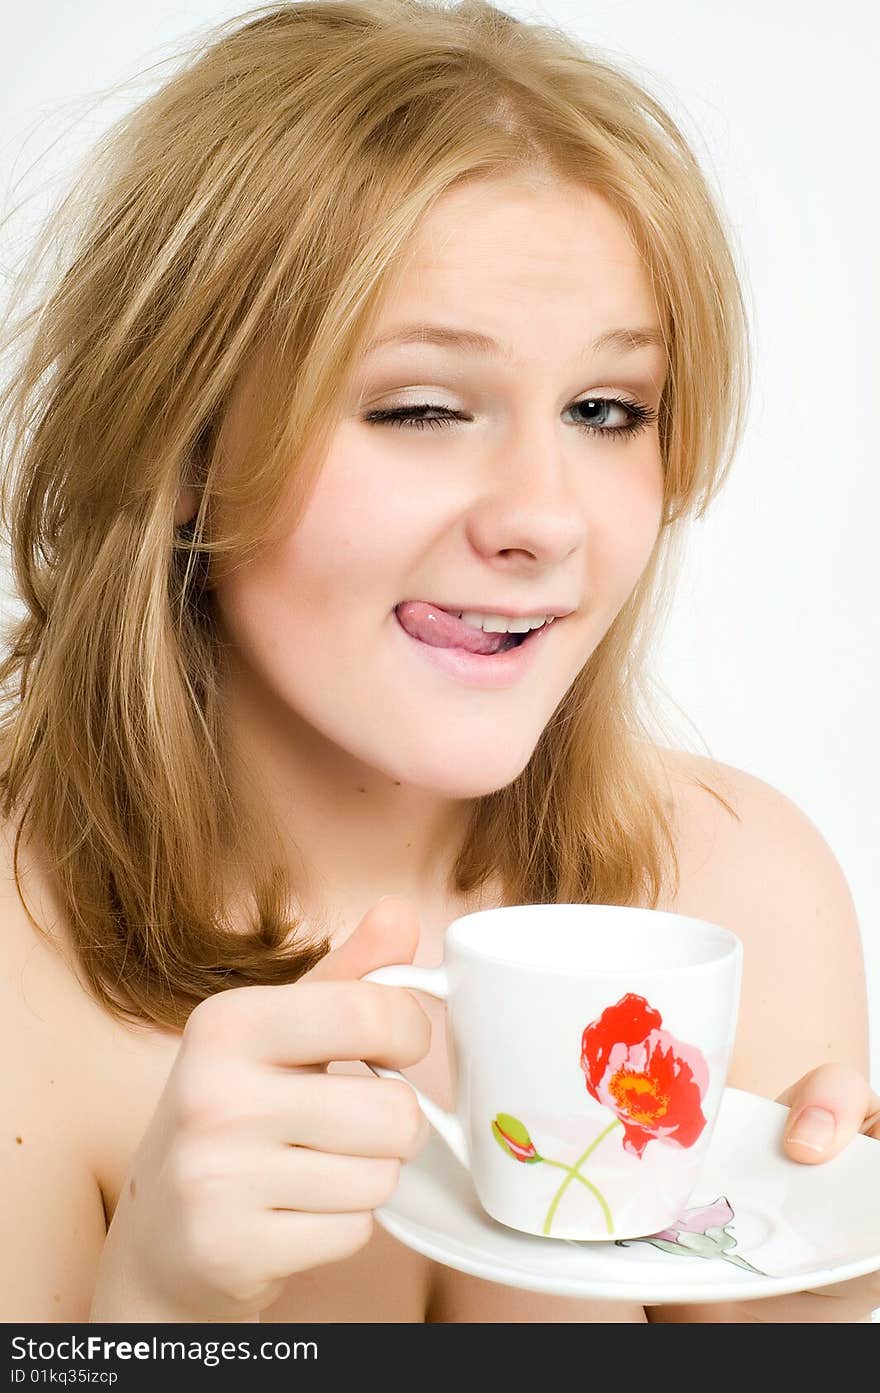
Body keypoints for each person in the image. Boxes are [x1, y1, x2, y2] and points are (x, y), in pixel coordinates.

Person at [0, 0, 876, 1325]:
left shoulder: (746, 891)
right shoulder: (22, 976)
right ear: (182, 449)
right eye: (420, 408)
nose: (544, 516)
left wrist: (805, 1316)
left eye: (605, 410)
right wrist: (163, 1305)